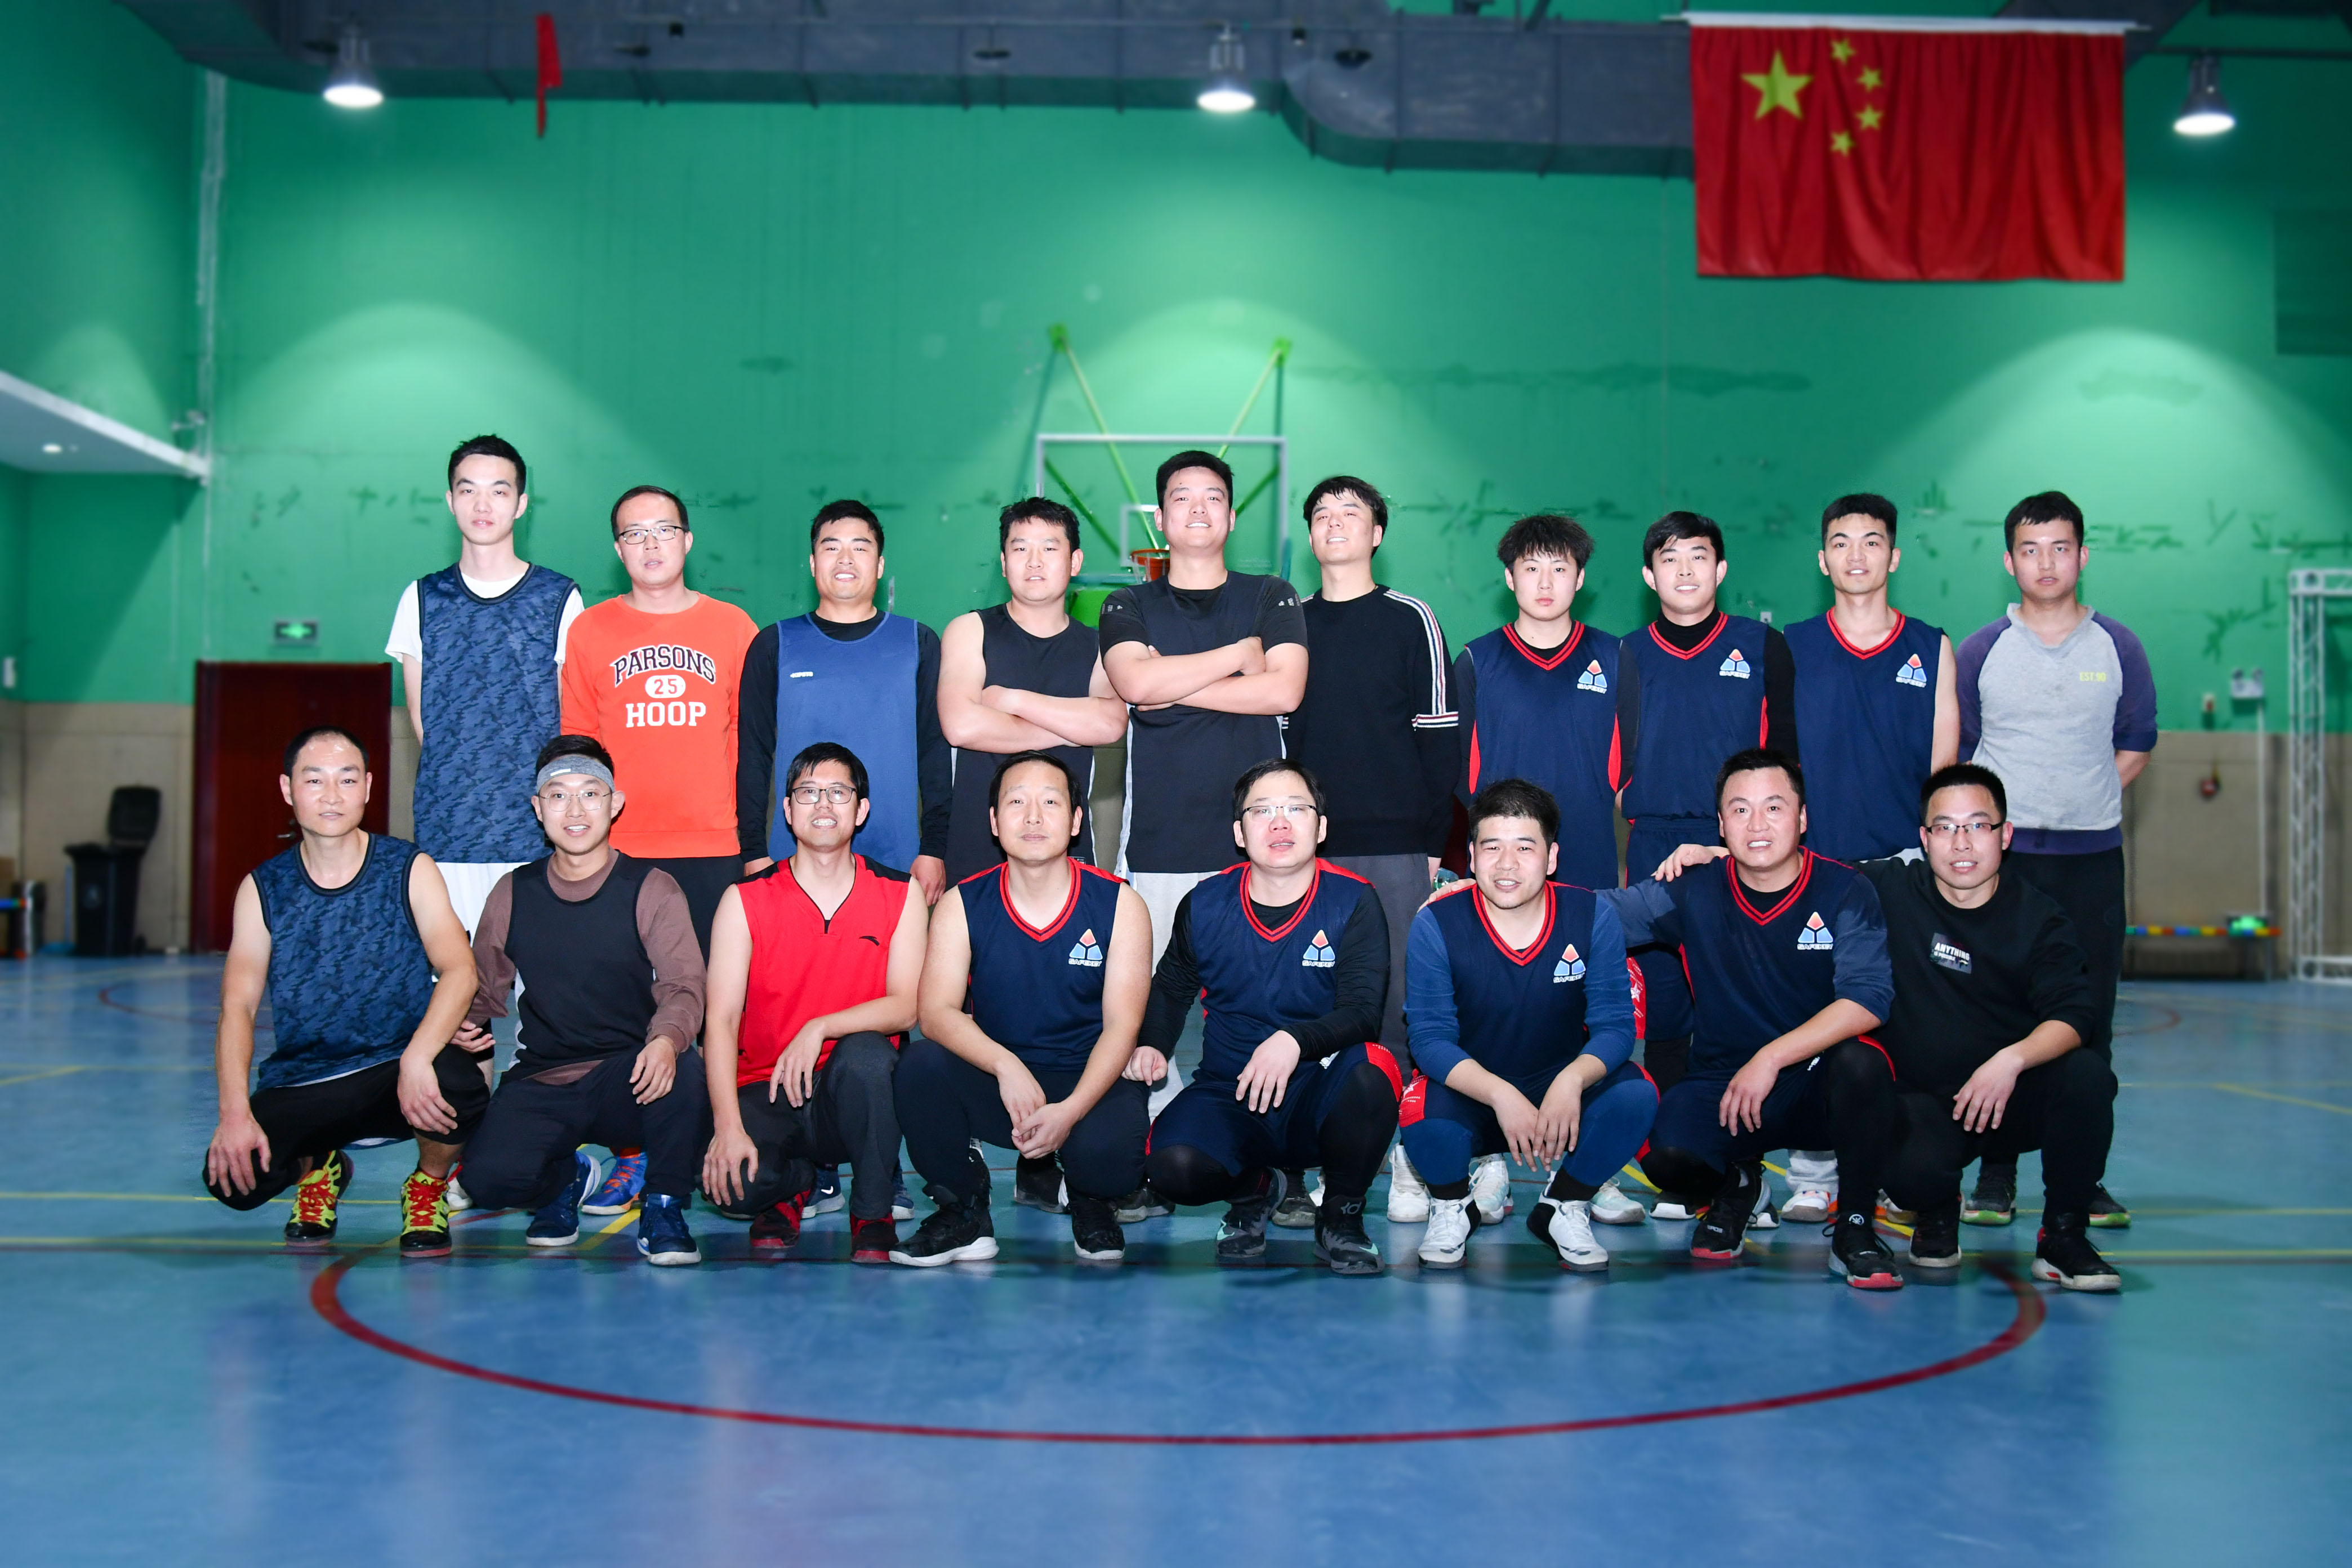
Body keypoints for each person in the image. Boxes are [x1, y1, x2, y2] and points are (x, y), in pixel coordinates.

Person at [1618, 749, 1904, 1289]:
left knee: (1863, 1066)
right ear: (1721, 824)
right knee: (1665, 1151)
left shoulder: (1844, 890)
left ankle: (1856, 1228)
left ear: (1802, 818)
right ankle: (1740, 1184)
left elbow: (1869, 998)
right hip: (1726, 1085)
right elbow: (1598, 913)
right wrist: (1499, 893)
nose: (1757, 824)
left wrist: (1771, 1058)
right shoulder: (1693, 888)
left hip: (1818, 1084)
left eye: (1774, 808)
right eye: (1740, 810)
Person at [202, 727, 484, 1258]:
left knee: (461, 1085)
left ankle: (427, 1185)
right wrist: (234, 1114)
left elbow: (459, 969)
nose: (332, 795)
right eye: (315, 780)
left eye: (347, 779)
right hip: (307, 1076)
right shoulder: (262, 889)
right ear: (288, 789)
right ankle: (321, 1167)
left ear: (368, 788)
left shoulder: (408, 868)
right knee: (236, 1179)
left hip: (395, 1068)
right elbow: (238, 1005)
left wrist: (419, 1055)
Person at [1440, 511, 1647, 1230]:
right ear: (1510, 579)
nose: (1546, 582)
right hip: (1498, 871)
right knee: (1486, 1010)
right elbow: (1460, 774)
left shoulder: (1615, 658)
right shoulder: (1477, 661)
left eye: (1560, 568)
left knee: (1586, 1015)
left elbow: (1627, 768)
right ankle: (1489, 1160)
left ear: (1581, 578)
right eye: (1531, 568)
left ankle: (1586, 1170)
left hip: (1584, 865)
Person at [1957, 491, 2153, 1230]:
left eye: (2060, 548)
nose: (2046, 563)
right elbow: (1963, 754)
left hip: (2091, 863)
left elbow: (2135, 745)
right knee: (2000, 1015)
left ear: (2082, 556)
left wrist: (2082, 796)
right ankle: (1996, 1170)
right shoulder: (1981, 651)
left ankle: (2082, 1180)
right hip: (2004, 869)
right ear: (2010, 562)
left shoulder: (2119, 648)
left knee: (2090, 1021)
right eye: (2031, 550)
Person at [934, 500, 1129, 1216]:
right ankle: (972, 1162)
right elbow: (960, 721)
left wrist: (1012, 700)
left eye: (1051, 548)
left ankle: (1050, 1152)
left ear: (1075, 563)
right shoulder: (970, 629)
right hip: (979, 842)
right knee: (974, 1000)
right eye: (1020, 548)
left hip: (1063, 849)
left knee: (1062, 997)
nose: (1035, 561)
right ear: (1003, 559)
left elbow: (1109, 722)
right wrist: (1062, 723)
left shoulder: (1101, 644)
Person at [447, 737, 711, 1265]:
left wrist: (665, 1041)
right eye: (558, 796)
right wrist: (450, 1029)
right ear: (537, 808)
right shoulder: (513, 892)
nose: (575, 811)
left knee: (686, 1070)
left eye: (590, 794)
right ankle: (563, 1179)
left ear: (615, 804)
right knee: (489, 1180)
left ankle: (663, 1205)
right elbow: (480, 993)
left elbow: (684, 985)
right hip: (544, 1077)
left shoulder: (651, 888)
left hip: (630, 1076)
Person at [891, 752, 1153, 1266]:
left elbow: (1123, 1026)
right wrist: (1004, 1065)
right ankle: (963, 1209)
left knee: (1111, 1159)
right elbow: (936, 1013)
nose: (1033, 817)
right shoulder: (963, 903)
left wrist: (1070, 1112)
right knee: (920, 1067)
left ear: (1076, 821)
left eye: (1051, 803)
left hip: (1087, 1076)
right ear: (994, 821)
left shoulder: (1120, 904)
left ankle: (1091, 1197)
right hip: (1001, 1081)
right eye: (1016, 803)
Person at [1138, 760, 1397, 1276]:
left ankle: (1341, 1216)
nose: (1280, 823)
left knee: (1374, 1071)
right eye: (1262, 811)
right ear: (1240, 833)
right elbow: (1171, 986)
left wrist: (1294, 1041)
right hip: (1231, 1093)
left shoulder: (1354, 899)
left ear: (1321, 827)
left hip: (1317, 1095)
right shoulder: (1206, 903)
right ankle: (1258, 1191)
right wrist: (1151, 1043)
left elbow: (1364, 1012)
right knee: (1172, 1167)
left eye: (1296, 809)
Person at [1869, 765, 2119, 1290]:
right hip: (1925, 1103)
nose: (1962, 843)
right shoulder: (1891, 889)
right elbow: (1802, 872)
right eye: (1946, 827)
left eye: (1978, 826)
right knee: (1907, 1165)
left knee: (2089, 1077)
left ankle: (2063, 1235)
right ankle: (1936, 1208)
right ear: (1925, 839)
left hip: (2007, 1097)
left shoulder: (2040, 918)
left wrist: (2011, 1061)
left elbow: (2075, 1016)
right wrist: (1714, 855)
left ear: (2005, 835)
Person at [1779, 492, 1958, 1223]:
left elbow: (1945, 771)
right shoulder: (1792, 646)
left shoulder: (1931, 647)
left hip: (1903, 867)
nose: (1857, 555)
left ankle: (1885, 1167)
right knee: (1810, 1017)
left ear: (1895, 555)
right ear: (1823, 560)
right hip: (1815, 866)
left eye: (1872, 541)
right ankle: (1813, 1169)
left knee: (1898, 1026)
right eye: (1842, 542)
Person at [1615, 511, 1799, 1220]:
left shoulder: (1762, 646)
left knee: (1739, 1010)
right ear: (1649, 576)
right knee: (1666, 1013)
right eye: (1670, 558)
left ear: (1721, 570)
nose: (1686, 569)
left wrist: (1742, 844)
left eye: (1699, 556)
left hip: (1744, 846)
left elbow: (1785, 761)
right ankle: (1682, 1167)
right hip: (1656, 846)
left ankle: (1745, 1173)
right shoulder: (1626, 656)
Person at [1400, 779, 1654, 1272]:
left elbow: (1616, 1028)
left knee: (1635, 1095)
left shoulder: (1591, 915)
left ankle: (1565, 1204)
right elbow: (1429, 1041)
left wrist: (1572, 1081)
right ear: (1472, 856)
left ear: (1552, 857)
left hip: (1559, 1086)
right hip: (1475, 1089)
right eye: (1492, 847)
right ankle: (1452, 1205)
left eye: (1524, 847)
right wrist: (1499, 1094)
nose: (1507, 864)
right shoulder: (1437, 922)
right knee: (1420, 1114)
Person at [701, 743, 928, 1263]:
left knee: (870, 1055)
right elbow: (721, 1020)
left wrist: (821, 1027)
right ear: (787, 810)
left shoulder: (900, 893)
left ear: (861, 810)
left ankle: (871, 1210)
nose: (823, 804)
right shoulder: (744, 899)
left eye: (838, 793)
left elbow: (907, 1006)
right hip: (766, 1087)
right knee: (729, 1185)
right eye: (807, 793)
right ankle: (793, 1185)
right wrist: (727, 1127)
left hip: (848, 1094)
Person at [1098, 450, 1308, 955]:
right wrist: (1239, 655)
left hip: (1259, 844)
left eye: (1213, 498)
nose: (1198, 508)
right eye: (1182, 498)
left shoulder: (1271, 595)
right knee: (1157, 996)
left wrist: (1168, 685)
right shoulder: (1126, 604)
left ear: (1231, 518)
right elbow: (1135, 685)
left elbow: (1284, 691)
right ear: (1160, 518)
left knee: (1258, 991)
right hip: (1160, 844)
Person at [385, 434, 583, 936]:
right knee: (454, 978)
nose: (482, 504)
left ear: (521, 504)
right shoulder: (422, 599)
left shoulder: (559, 598)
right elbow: (423, 723)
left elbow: (567, 721)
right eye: (468, 489)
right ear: (450, 501)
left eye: (499, 491)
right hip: (448, 828)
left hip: (534, 833)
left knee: (532, 982)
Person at [559, 485, 759, 953]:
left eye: (664, 530)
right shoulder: (589, 630)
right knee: (621, 987)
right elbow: (579, 742)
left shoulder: (734, 626)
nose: (651, 544)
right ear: (619, 549)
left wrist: (742, 829)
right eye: (635, 533)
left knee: (711, 984)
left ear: (687, 540)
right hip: (618, 844)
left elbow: (750, 740)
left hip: (711, 843)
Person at [738, 499, 952, 904]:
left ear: (880, 565)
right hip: (793, 858)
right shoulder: (774, 644)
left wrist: (934, 849)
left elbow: (935, 754)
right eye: (832, 546)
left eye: (860, 547)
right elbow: (753, 755)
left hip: (898, 855)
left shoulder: (918, 643)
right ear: (813, 563)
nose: (846, 558)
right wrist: (753, 852)